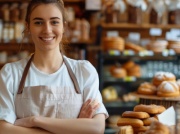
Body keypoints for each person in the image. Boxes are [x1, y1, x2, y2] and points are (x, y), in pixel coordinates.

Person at [0, 0, 108, 134]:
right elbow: (4, 129)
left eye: (54, 22)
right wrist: (75, 128)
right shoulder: (11, 73)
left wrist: (35, 120)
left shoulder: (84, 71)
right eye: (38, 22)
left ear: (64, 26)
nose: (47, 30)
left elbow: (97, 128)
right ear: (28, 27)